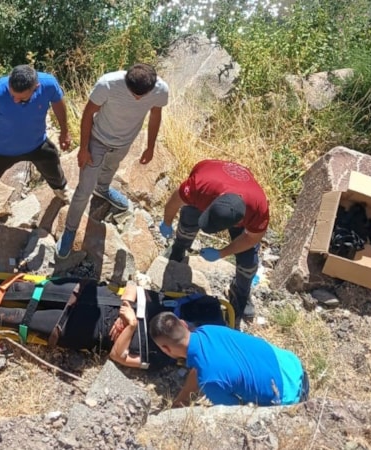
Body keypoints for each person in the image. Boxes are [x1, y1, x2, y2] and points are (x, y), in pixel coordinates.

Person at [0, 266, 227, 369]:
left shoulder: (160, 357)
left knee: (19, 318)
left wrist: (131, 326)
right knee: (29, 290)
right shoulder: (166, 315)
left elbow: (119, 356)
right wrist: (126, 306)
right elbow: (136, 287)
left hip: (82, 330)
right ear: (185, 325)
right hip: (96, 299)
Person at [57, 63, 169, 258]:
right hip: (98, 139)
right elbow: (88, 113)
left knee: (110, 169)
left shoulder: (160, 90)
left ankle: (103, 189)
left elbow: (155, 115)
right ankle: (70, 230)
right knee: (83, 190)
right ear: (126, 81)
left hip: (125, 141)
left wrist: (150, 146)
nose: (137, 98)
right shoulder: (108, 84)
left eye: (142, 96)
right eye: (134, 93)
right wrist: (83, 149)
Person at [158, 159, 269, 326]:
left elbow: (252, 239)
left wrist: (221, 253)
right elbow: (174, 201)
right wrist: (167, 223)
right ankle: (179, 248)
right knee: (188, 220)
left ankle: (240, 292)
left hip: (244, 200)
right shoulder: (200, 187)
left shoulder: (258, 209)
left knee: (249, 262)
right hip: (210, 178)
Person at [0, 64, 72, 221]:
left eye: (21, 98)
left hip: (36, 143)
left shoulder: (48, 84)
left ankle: (61, 189)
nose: (14, 100)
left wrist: (64, 131)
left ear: (36, 87)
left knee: (52, 162)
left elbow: (58, 102)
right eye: (12, 94)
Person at [149, 312, 309, 407]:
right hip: (293, 365)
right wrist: (181, 400)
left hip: (291, 397)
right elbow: (197, 371)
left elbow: (235, 415)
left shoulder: (210, 380)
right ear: (184, 324)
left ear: (166, 349)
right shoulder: (208, 330)